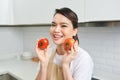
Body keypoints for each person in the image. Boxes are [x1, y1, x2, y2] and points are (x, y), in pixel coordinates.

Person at [35, 7, 93, 80]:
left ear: (74, 31)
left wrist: (65, 65)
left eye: (63, 26)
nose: (56, 30)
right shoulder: (48, 53)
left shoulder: (83, 59)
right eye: (53, 25)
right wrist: (43, 64)